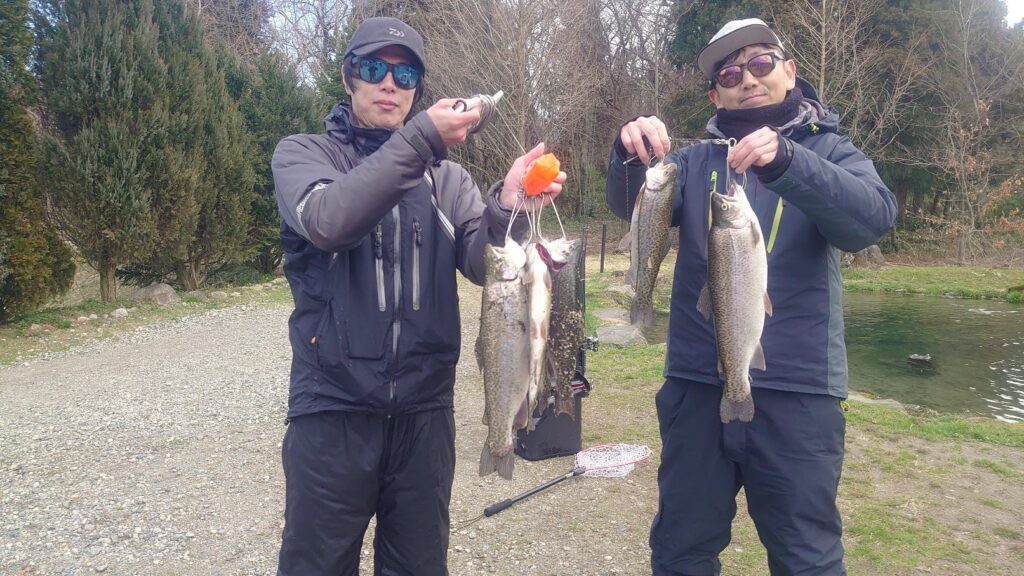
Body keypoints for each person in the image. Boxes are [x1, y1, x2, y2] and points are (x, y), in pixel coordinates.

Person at [271, 16, 564, 576]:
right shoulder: (303, 156)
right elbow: (329, 221)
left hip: (425, 416)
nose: (389, 83)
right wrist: (421, 140)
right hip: (332, 409)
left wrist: (508, 205)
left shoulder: (447, 181)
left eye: (405, 74)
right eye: (373, 68)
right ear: (348, 77)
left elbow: (483, 261)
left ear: (417, 90)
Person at [605, 18, 897, 576]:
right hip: (696, 385)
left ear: (790, 70)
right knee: (681, 551)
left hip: (800, 392)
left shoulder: (831, 150)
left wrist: (789, 160)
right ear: (715, 95)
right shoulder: (691, 161)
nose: (748, 79)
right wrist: (627, 153)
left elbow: (871, 220)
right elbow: (631, 204)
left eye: (761, 63)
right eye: (730, 74)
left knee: (806, 559)